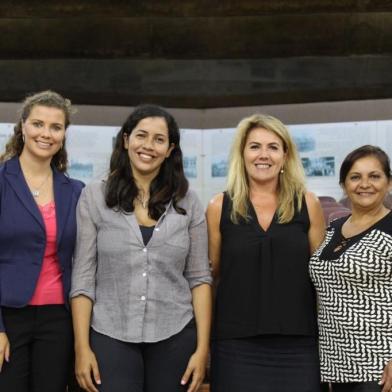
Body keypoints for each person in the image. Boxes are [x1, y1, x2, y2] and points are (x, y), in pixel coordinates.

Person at [70, 104, 212, 392]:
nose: (149, 146)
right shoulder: (94, 196)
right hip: (110, 332)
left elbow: (199, 279)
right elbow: (83, 279)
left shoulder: (189, 201)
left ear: (171, 149)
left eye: (159, 139)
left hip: (175, 333)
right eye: (141, 135)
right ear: (126, 140)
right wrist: (81, 347)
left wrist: (202, 349)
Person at [207, 113, 325, 392]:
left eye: (273, 147)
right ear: (242, 153)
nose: (264, 155)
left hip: (300, 347)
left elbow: (323, 281)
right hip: (234, 347)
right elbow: (211, 278)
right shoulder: (218, 206)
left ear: (285, 156)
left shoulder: (308, 204)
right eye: (255, 146)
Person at [0, 90, 84, 391]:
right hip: (8, 317)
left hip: (58, 319)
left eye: (55, 127)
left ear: (63, 135)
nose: (45, 134)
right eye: (38, 124)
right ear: (22, 126)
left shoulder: (75, 191)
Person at [309, 145, 392, 392]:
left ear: (388, 183)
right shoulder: (334, 226)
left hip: (379, 365)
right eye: (355, 177)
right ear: (344, 185)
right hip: (333, 364)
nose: (364, 184)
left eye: (374, 176)